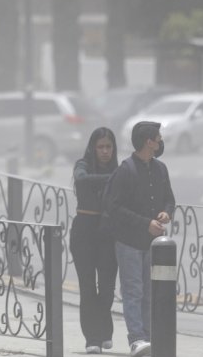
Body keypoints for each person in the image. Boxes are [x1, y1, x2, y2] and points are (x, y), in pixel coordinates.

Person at [105, 120, 176, 357]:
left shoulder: (160, 169)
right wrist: (146, 223)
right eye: (158, 138)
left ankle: (148, 336)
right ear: (149, 142)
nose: (161, 141)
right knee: (133, 291)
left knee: (149, 292)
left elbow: (169, 199)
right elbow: (114, 207)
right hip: (129, 242)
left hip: (153, 245)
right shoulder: (125, 170)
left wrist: (166, 212)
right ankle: (136, 339)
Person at [72, 127, 118, 354]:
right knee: (88, 287)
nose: (105, 151)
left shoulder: (118, 169)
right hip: (84, 231)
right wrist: (114, 180)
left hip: (108, 233)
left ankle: (105, 331)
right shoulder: (83, 165)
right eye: (100, 147)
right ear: (93, 148)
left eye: (108, 147)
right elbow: (81, 180)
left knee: (107, 288)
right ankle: (92, 338)